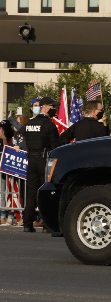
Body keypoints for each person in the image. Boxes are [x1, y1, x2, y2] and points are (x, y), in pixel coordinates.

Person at [22, 96, 60, 233]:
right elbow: (56, 145)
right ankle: (46, 225)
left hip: (31, 160)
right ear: (45, 107)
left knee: (31, 192)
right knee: (46, 193)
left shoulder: (29, 124)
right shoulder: (49, 125)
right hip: (44, 161)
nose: (54, 109)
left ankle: (27, 224)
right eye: (52, 107)